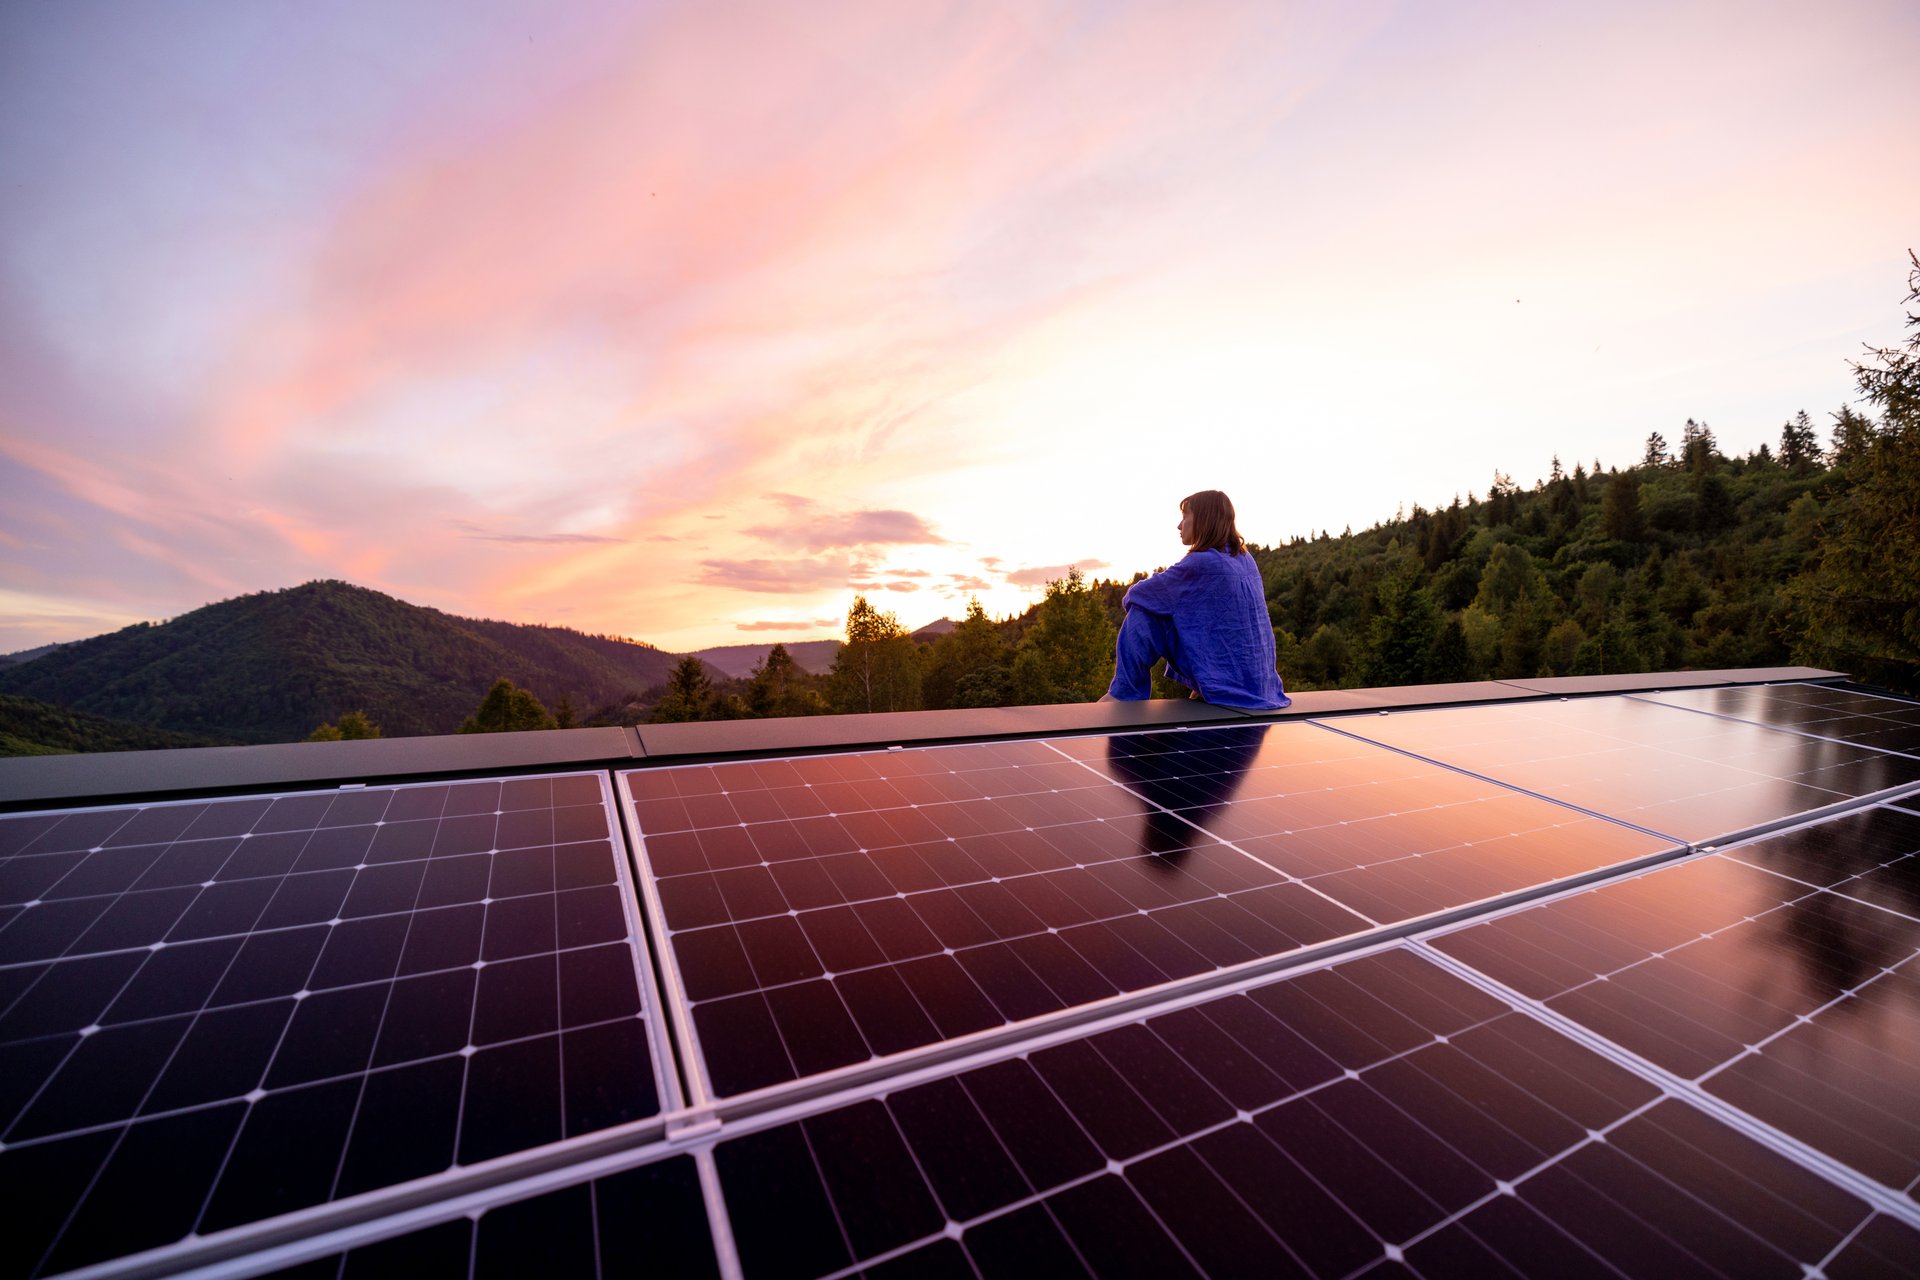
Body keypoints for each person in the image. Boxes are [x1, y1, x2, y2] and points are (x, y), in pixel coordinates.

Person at [1100, 490, 1291, 710]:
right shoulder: (1244, 558)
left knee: (1144, 616)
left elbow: (1137, 595)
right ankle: (1203, 685)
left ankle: (1124, 693)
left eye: (1184, 517)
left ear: (1202, 519)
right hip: (1259, 685)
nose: (1179, 526)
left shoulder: (1202, 563)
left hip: (1231, 688)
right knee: (1184, 612)